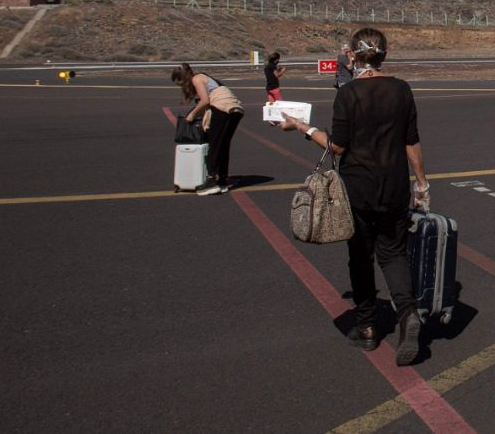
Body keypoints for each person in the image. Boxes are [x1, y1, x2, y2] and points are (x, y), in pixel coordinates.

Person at [276, 28, 430, 366]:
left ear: (354, 57)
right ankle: (407, 315)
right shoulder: (402, 90)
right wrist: (421, 184)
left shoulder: (348, 94)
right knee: (394, 255)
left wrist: (303, 128)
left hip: (357, 189)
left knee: (360, 257)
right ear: (384, 55)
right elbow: (411, 141)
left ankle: (367, 328)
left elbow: (338, 146)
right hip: (394, 187)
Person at [171, 63, 244, 195]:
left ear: (183, 77)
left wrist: (192, 115)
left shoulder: (196, 78)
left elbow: (205, 101)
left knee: (213, 145)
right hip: (235, 109)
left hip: (222, 108)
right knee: (223, 145)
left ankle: (211, 180)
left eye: (180, 83)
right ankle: (223, 179)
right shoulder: (205, 78)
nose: (181, 86)